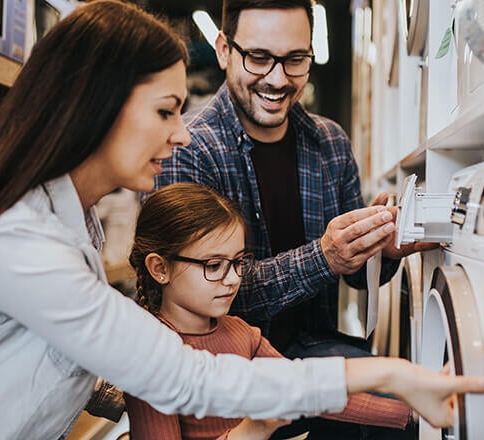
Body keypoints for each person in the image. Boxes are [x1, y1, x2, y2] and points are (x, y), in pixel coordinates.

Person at [0, 1, 484, 439]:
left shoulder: (73, 221)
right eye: (165, 111)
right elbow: (187, 375)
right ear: (97, 109)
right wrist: (394, 373)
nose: (182, 134)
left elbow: (71, 357)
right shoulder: (22, 242)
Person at [152, 1, 437, 437]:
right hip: (223, 367)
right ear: (225, 50)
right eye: (260, 58)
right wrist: (324, 257)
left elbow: (356, 280)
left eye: (295, 59)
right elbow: (200, 290)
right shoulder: (189, 148)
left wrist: (382, 251)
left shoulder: (330, 143)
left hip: (314, 348)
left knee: (400, 409)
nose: (278, 78)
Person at [126, 183, 431, 439]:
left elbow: (316, 393)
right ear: (159, 268)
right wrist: (249, 431)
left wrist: (414, 413)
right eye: (214, 266)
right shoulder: (149, 357)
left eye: (238, 262)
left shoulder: (241, 333)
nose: (232, 279)